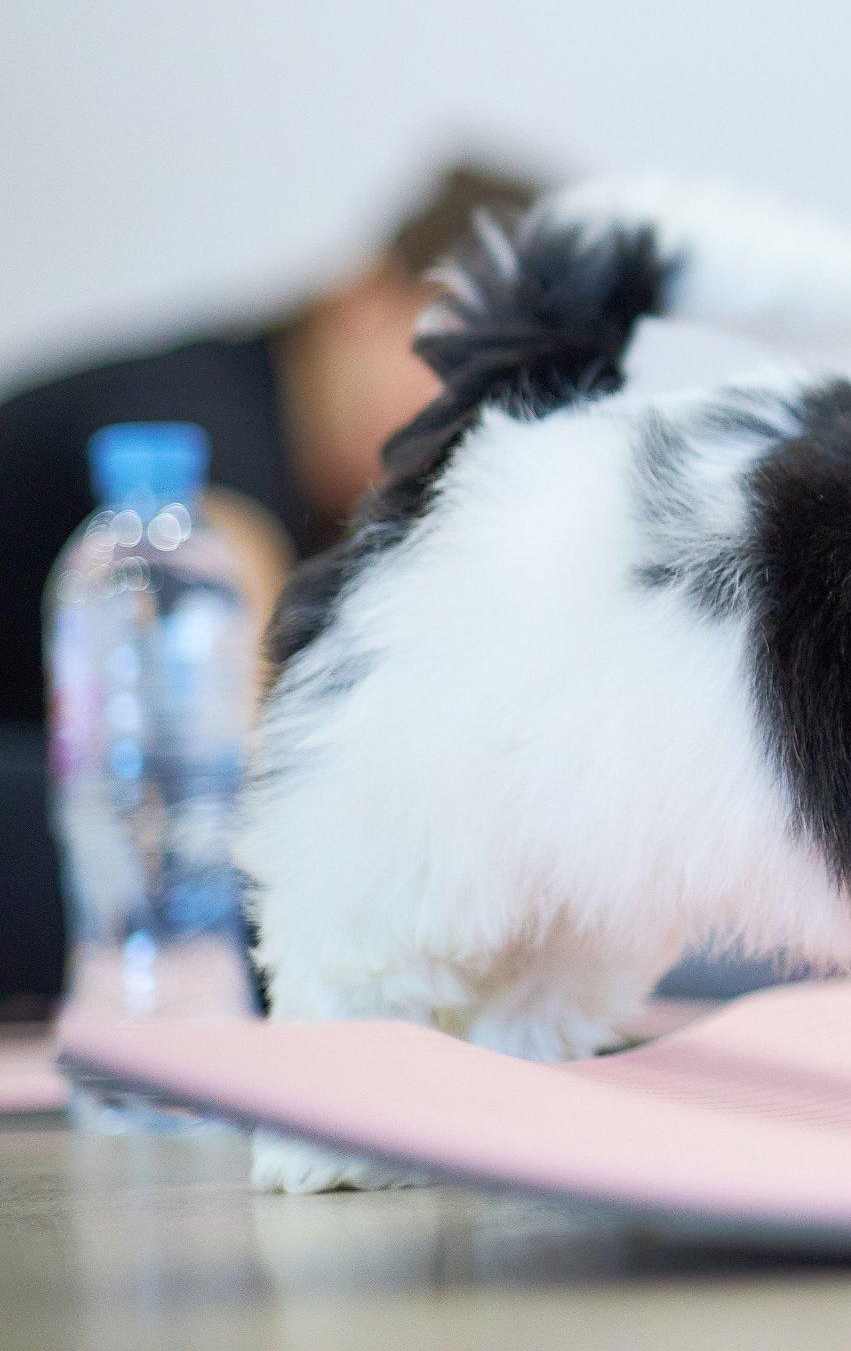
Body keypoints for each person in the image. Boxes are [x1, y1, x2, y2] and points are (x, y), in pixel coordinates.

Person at [0, 159, 543, 1011]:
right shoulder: (200, 412)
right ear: (366, 302)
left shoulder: (361, 497)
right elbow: (226, 690)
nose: (475, 429)